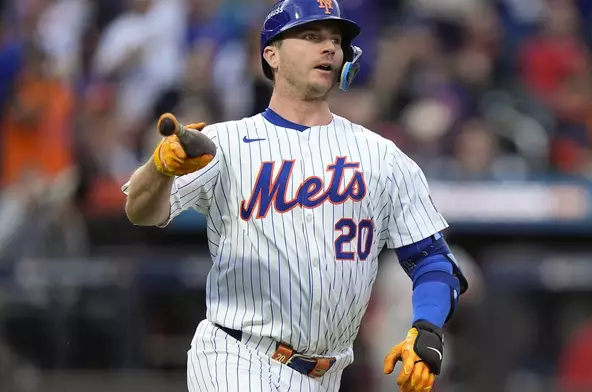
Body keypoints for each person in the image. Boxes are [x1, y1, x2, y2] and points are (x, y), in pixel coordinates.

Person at [122, 1, 468, 391]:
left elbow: (432, 260)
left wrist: (426, 328)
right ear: (271, 54)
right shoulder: (224, 143)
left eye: (335, 40)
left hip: (328, 373)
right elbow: (140, 211)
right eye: (310, 36)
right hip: (237, 356)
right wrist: (160, 169)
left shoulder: (382, 157)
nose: (328, 48)